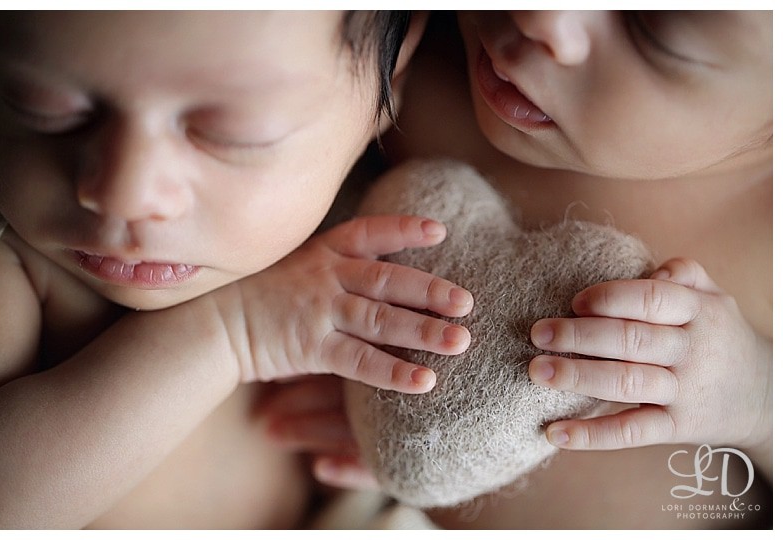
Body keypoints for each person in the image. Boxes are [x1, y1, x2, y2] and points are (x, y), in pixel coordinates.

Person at [264, 11, 772, 528]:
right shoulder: (410, 50)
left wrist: (755, 396)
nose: (537, 15)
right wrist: (359, 374)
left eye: (648, 23)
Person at [0, 10, 478, 529]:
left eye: (234, 136)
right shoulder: (15, 261)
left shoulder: (361, 225)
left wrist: (381, 439)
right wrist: (231, 334)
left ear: (393, 77)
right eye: (44, 108)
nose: (125, 193)